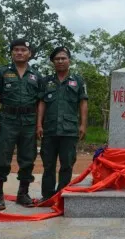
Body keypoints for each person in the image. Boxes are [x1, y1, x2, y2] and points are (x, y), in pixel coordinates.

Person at [0, 39, 43, 210]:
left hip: (29, 122)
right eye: (16, 50)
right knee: (2, 157)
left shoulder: (36, 75)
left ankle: (23, 193)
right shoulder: (2, 72)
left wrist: (38, 125)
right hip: (7, 120)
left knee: (28, 158)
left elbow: (39, 102)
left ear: (29, 54)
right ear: (12, 53)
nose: (19, 53)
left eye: (23, 50)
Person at [36, 46, 88, 202]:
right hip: (49, 130)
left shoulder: (78, 81)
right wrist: (39, 124)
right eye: (57, 59)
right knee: (48, 165)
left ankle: (62, 196)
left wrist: (83, 125)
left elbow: (83, 103)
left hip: (69, 130)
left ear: (69, 61)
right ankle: (47, 196)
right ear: (53, 62)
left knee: (67, 164)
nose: (60, 61)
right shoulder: (46, 81)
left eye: (63, 58)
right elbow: (42, 103)